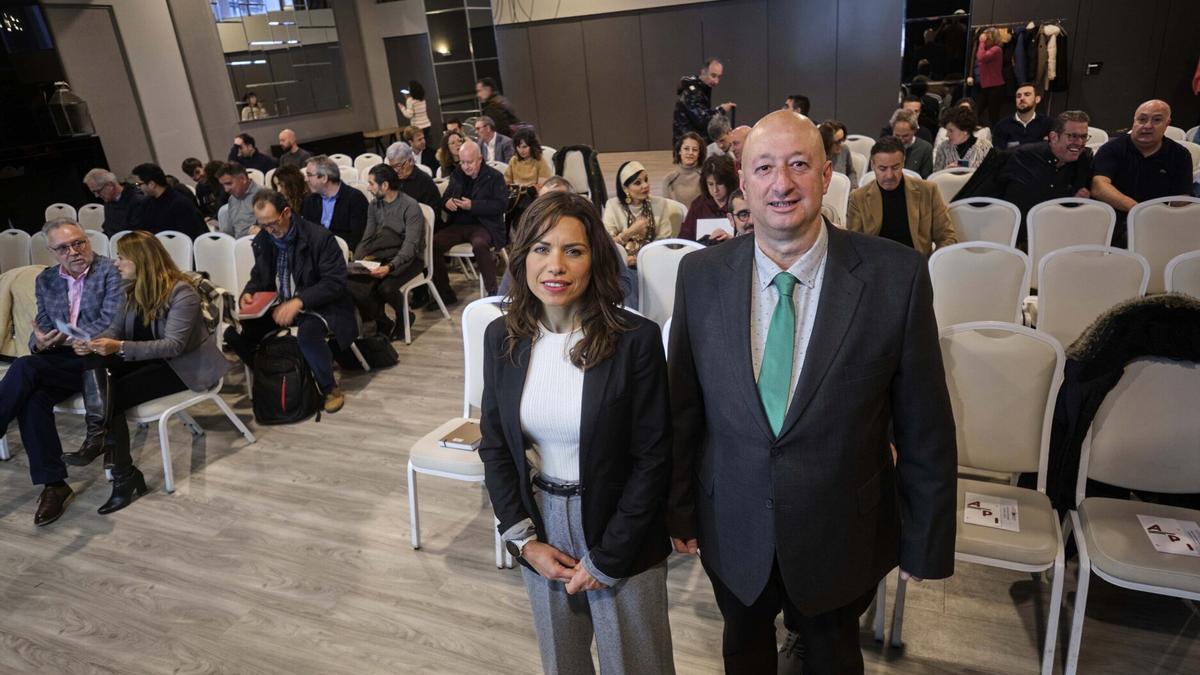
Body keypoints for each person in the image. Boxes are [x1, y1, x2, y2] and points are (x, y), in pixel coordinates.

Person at [667, 111, 957, 673]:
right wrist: (679, 511)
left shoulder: (895, 276)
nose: (782, 184)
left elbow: (924, 421)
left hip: (843, 532)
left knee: (832, 656)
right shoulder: (700, 276)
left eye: (799, 164)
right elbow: (685, 407)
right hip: (733, 523)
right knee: (744, 650)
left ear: (827, 176)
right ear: (742, 184)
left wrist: (925, 537)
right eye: (765, 168)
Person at [480, 191, 676, 675]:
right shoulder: (501, 337)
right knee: (562, 664)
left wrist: (609, 555)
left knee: (638, 666)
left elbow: (655, 458)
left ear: (596, 260)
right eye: (541, 249)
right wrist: (524, 541)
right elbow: (496, 447)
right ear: (522, 257)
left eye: (574, 250)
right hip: (543, 521)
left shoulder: (637, 340)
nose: (556, 266)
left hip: (621, 521)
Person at [64, 231, 230, 512]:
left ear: (141, 261)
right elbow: (113, 331)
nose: (117, 264)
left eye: (122, 258)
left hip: (183, 366)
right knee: (94, 362)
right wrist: (92, 343)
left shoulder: (182, 293)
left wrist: (117, 346)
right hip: (146, 359)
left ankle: (122, 475)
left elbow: (173, 346)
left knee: (112, 396)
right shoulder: (127, 289)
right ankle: (99, 440)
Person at [0, 219, 123, 525]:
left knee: (24, 367)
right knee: (33, 394)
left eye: (79, 243)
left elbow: (116, 325)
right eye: (64, 247)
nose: (74, 251)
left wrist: (82, 339)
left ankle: (54, 485)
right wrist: (40, 342)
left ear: (88, 241)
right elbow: (39, 328)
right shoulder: (47, 280)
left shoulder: (110, 271)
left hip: (101, 360)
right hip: (62, 359)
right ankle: (54, 485)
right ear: (52, 251)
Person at [225, 190, 354, 413]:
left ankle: (329, 388)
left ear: (286, 213)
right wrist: (251, 291)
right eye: (262, 224)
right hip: (282, 302)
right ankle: (272, 378)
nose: (268, 229)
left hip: (320, 305)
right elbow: (260, 274)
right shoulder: (265, 239)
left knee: (308, 336)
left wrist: (299, 301)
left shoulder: (319, 238)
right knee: (237, 334)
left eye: (272, 223)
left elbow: (334, 283)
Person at [1092, 99, 1194, 247]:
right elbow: (1098, 186)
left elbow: (1181, 198)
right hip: (1112, 221)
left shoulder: (1179, 155)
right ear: (1134, 121)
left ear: (1167, 124)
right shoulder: (1112, 149)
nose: (1147, 126)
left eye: (1157, 120)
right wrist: (1139, 210)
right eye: (1142, 119)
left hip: (1157, 223)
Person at [993, 110, 1095, 248]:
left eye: (1084, 137)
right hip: (1016, 239)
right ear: (1053, 137)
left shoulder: (1084, 160)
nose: (1079, 143)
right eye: (1073, 136)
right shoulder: (1020, 157)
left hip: (1062, 237)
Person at [348, 164, 426, 340]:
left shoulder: (410, 206)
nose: (368, 188)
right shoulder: (374, 205)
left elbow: (410, 246)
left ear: (384, 186)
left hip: (411, 258)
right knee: (355, 284)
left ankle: (404, 316)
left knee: (385, 287)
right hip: (384, 254)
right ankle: (383, 321)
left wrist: (390, 267)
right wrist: (358, 263)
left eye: (371, 184)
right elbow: (367, 238)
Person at [847, 136, 957, 256]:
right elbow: (854, 244)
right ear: (873, 165)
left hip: (917, 264)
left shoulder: (928, 191)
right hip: (877, 266)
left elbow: (947, 237)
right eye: (882, 169)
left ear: (903, 162)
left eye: (895, 168)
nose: (889, 175)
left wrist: (932, 264)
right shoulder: (858, 198)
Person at [431, 141, 507, 304]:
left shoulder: (494, 176)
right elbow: (444, 198)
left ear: (480, 159)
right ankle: (445, 294)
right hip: (458, 224)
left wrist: (473, 205)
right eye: (462, 162)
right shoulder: (457, 174)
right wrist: (448, 202)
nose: (466, 166)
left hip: (484, 224)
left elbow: (501, 205)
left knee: (480, 244)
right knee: (433, 243)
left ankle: (492, 291)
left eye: (470, 162)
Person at [603, 161, 674, 268]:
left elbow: (665, 243)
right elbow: (605, 246)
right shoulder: (613, 206)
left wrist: (642, 258)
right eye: (638, 183)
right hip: (621, 265)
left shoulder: (660, 204)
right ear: (625, 188)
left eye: (646, 180)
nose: (645, 185)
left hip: (653, 263)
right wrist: (630, 232)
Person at [300, 155, 370, 251]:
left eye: (309, 175)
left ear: (324, 178)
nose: (306, 179)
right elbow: (306, 233)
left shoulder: (355, 198)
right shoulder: (310, 200)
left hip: (343, 253)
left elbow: (358, 237)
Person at [130, 163, 207, 238]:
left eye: (138, 184)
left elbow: (192, 235)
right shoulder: (146, 203)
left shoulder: (180, 204)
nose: (138, 188)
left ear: (152, 184)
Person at [673, 57, 735, 144]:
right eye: (713, 75)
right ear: (703, 72)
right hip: (688, 146)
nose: (716, 81)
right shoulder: (693, 93)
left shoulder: (699, 89)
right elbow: (704, 121)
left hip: (690, 143)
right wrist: (722, 110)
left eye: (719, 77)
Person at [680, 154, 738, 243]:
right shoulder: (698, 205)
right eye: (710, 184)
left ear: (729, 182)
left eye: (719, 183)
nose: (715, 190)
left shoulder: (739, 203)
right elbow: (684, 240)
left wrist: (732, 240)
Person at [385, 141, 443, 229]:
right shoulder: (393, 180)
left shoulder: (424, 181)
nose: (396, 170)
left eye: (399, 166)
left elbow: (432, 215)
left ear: (411, 161)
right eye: (392, 167)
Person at [83, 168, 144, 237]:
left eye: (98, 191)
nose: (96, 196)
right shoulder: (109, 201)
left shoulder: (137, 201)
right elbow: (108, 228)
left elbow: (137, 233)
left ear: (110, 185)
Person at [991, 84, 1053, 150]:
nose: (1022, 98)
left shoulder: (1049, 123)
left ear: (1037, 99)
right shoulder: (1002, 126)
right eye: (1018, 96)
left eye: (1027, 94)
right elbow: (999, 156)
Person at [933, 106, 993, 171]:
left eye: (951, 131)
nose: (947, 135)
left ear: (965, 131)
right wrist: (945, 172)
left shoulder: (985, 148)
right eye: (947, 130)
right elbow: (935, 177)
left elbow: (991, 176)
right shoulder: (943, 148)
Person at [216, 162, 262, 238]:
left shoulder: (264, 196)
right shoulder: (232, 199)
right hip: (238, 245)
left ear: (243, 179)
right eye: (223, 185)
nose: (226, 190)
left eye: (229, 183)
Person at [662, 132, 706, 208]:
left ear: (699, 154)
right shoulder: (668, 180)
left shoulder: (705, 177)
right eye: (686, 149)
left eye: (695, 150)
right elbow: (666, 210)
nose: (690, 153)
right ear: (679, 151)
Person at [891, 108, 935, 178]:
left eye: (905, 136)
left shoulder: (925, 149)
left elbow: (926, 179)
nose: (901, 140)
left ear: (914, 131)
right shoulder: (884, 147)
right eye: (897, 135)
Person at [975, 28, 1005, 126]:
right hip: (985, 87)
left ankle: (996, 137)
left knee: (993, 116)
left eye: (987, 39)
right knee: (976, 112)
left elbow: (981, 58)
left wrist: (981, 42)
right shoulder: (986, 50)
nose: (985, 41)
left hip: (995, 87)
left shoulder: (997, 49)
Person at [818, 120, 858, 187]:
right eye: (838, 142)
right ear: (827, 142)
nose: (842, 144)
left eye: (843, 139)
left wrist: (854, 186)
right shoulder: (817, 156)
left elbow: (851, 172)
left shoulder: (844, 150)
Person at [397, 80, 432, 148]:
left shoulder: (410, 100)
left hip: (417, 127)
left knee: (419, 146)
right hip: (427, 124)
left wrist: (402, 108)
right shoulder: (422, 99)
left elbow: (409, 115)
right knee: (427, 145)